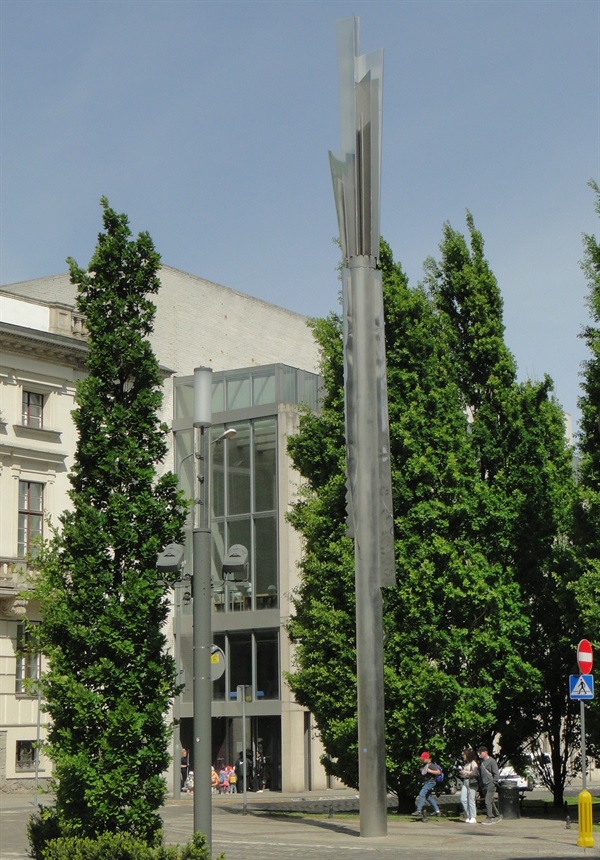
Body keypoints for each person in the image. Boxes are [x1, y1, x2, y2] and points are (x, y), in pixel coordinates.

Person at [411, 751, 442, 818]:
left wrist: (429, 771)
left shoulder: (431, 765)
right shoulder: (426, 765)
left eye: (423, 759)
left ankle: (419, 810)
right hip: (428, 782)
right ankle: (437, 811)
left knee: (422, 793)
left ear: (427, 758)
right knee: (428, 797)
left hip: (430, 782)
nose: (422, 760)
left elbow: (438, 772)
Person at [478, 746, 502, 824]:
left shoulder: (492, 761)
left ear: (485, 752)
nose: (479, 754)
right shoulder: (482, 762)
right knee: (490, 801)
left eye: (480, 752)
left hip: (490, 784)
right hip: (484, 784)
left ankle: (490, 817)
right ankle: (497, 815)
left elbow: (496, 773)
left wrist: (494, 782)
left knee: (487, 801)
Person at [458, 748, 479, 823]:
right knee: (463, 799)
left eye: (463, 755)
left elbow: (475, 773)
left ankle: (473, 817)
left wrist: (465, 772)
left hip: (471, 782)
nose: (463, 756)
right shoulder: (466, 763)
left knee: (471, 800)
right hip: (465, 781)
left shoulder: (473, 763)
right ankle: (468, 815)